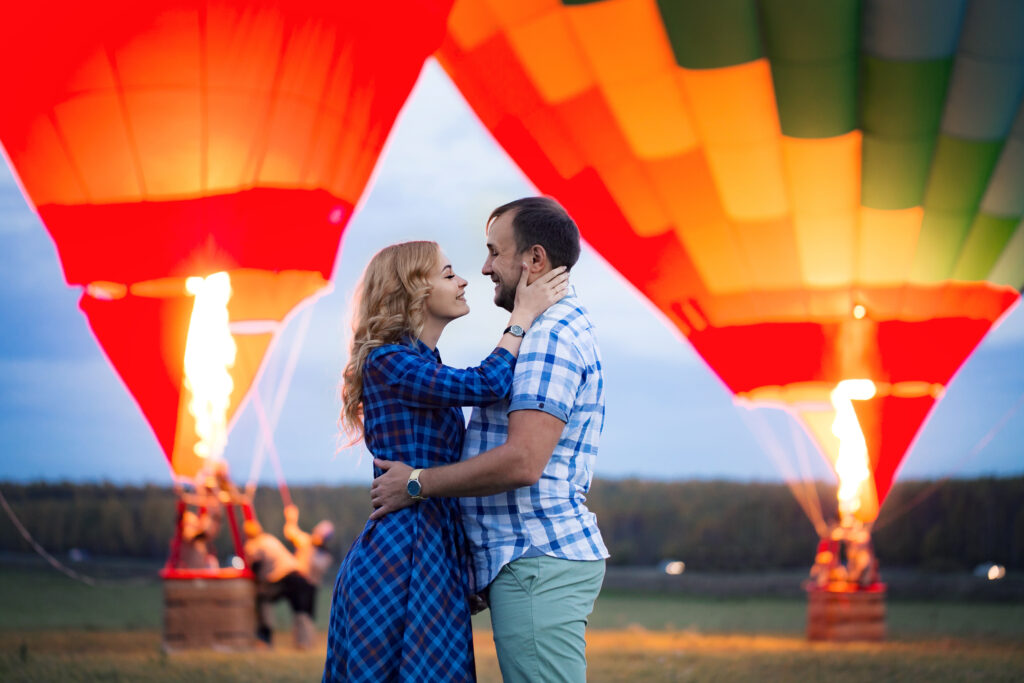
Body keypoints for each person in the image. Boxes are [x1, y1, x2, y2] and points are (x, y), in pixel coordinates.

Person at [371, 197, 609, 683]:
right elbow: (479, 389)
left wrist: (415, 483)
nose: (481, 270)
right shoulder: (400, 360)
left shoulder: (547, 337)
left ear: (534, 260)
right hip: (467, 554)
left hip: (533, 557)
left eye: (493, 252)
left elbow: (522, 460)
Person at [322, 240, 568, 682]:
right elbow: (488, 383)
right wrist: (522, 317)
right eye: (449, 272)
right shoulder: (389, 361)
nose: (464, 280)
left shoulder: (424, 361)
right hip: (399, 552)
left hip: (432, 544)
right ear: (413, 289)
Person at [243, 518, 316, 647]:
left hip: (282, 578)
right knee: (300, 611)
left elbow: (256, 565)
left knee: (263, 599)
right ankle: (304, 643)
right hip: (298, 575)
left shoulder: (253, 545)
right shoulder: (269, 538)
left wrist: (257, 581)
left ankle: (265, 637)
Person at [283, 504, 334, 648]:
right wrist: (292, 517)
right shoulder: (306, 542)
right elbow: (290, 531)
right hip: (299, 583)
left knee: (307, 614)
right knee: (299, 613)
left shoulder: (324, 555)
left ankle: (307, 643)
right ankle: (300, 642)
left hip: (310, 585)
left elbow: (317, 568)